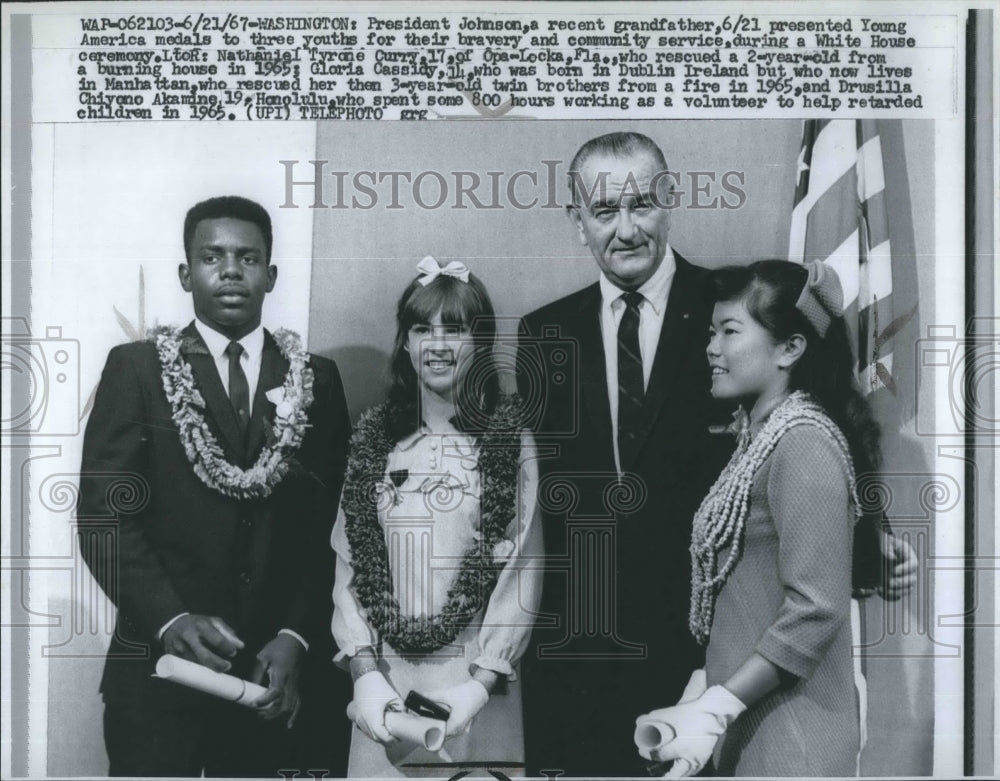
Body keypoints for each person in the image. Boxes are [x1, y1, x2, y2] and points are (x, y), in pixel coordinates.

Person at [516, 131, 917, 776]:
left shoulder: (734, 311)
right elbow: (541, 509)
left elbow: (816, 423)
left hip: (705, 663)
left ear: (671, 198)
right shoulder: (543, 335)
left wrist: (872, 536)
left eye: (642, 203)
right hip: (577, 668)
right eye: (602, 211)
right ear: (576, 222)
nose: (625, 229)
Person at [76, 195, 352, 776]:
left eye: (248, 258)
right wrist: (170, 619)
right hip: (157, 671)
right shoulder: (138, 369)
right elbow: (105, 519)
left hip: (270, 676)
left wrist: (296, 635)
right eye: (212, 256)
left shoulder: (316, 379)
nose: (230, 270)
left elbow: (331, 525)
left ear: (271, 275)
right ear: (187, 273)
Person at [636, 259, 876, 776]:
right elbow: (744, 599)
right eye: (711, 331)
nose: (711, 347)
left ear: (790, 348)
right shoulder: (761, 439)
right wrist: (697, 704)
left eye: (729, 331)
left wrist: (716, 708)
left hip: (794, 740)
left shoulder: (803, 442)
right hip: (755, 731)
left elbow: (816, 608)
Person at [331, 257, 542, 777]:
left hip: (474, 689)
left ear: (481, 341)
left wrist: (482, 681)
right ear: (405, 342)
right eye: (423, 328)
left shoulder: (509, 442)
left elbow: (525, 568)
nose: (438, 344)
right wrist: (364, 672)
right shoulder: (375, 442)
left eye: (456, 329)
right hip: (386, 685)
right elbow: (349, 568)